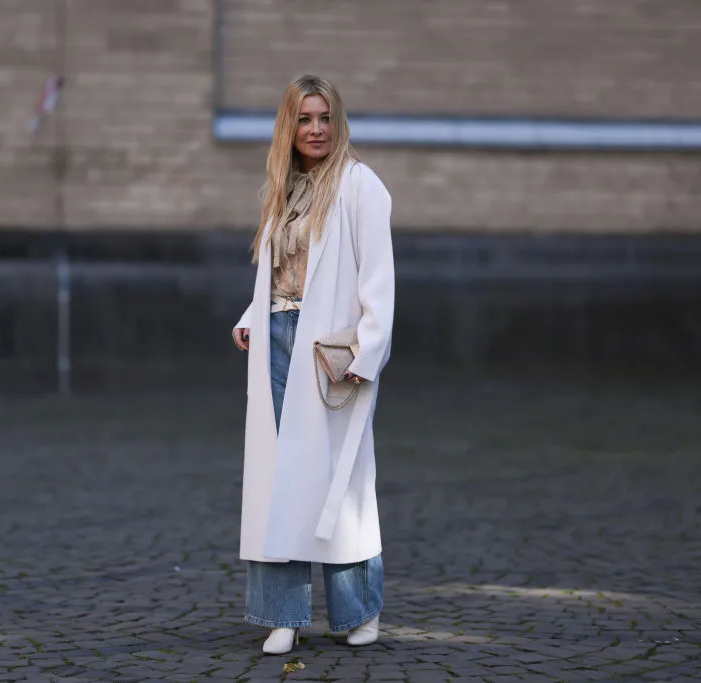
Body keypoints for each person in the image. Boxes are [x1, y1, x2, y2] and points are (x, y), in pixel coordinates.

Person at [231, 75, 395, 655]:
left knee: (339, 478)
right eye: (305, 119)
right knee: (280, 477)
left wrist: (368, 351)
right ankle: (282, 614)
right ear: (290, 126)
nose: (317, 129)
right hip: (278, 337)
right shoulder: (284, 188)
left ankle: (357, 611)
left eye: (325, 117)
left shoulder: (360, 186)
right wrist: (253, 316)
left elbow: (378, 280)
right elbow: (276, 273)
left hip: (330, 353)